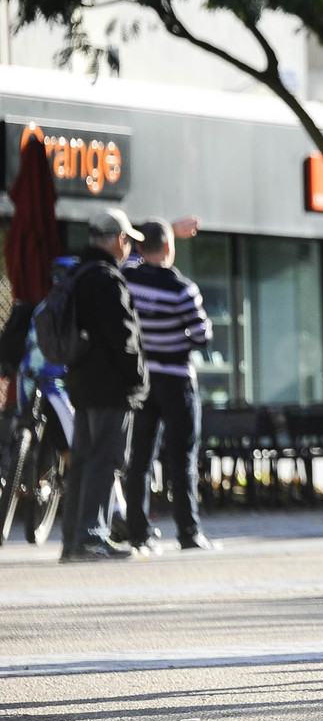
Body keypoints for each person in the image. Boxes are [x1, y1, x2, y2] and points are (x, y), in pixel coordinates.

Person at [58, 209, 150, 563]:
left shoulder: (78, 273)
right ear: (118, 240)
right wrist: (138, 378)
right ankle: (91, 538)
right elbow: (123, 338)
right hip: (110, 388)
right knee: (105, 460)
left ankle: (73, 541)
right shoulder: (107, 279)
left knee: (83, 461)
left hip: (81, 384)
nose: (128, 248)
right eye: (127, 241)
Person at [120, 218, 214, 553]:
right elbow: (202, 335)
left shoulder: (128, 278)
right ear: (169, 247)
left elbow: (130, 258)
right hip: (177, 381)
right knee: (182, 459)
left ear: (140, 247)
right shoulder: (182, 289)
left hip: (142, 381)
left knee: (139, 460)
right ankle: (188, 533)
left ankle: (138, 533)